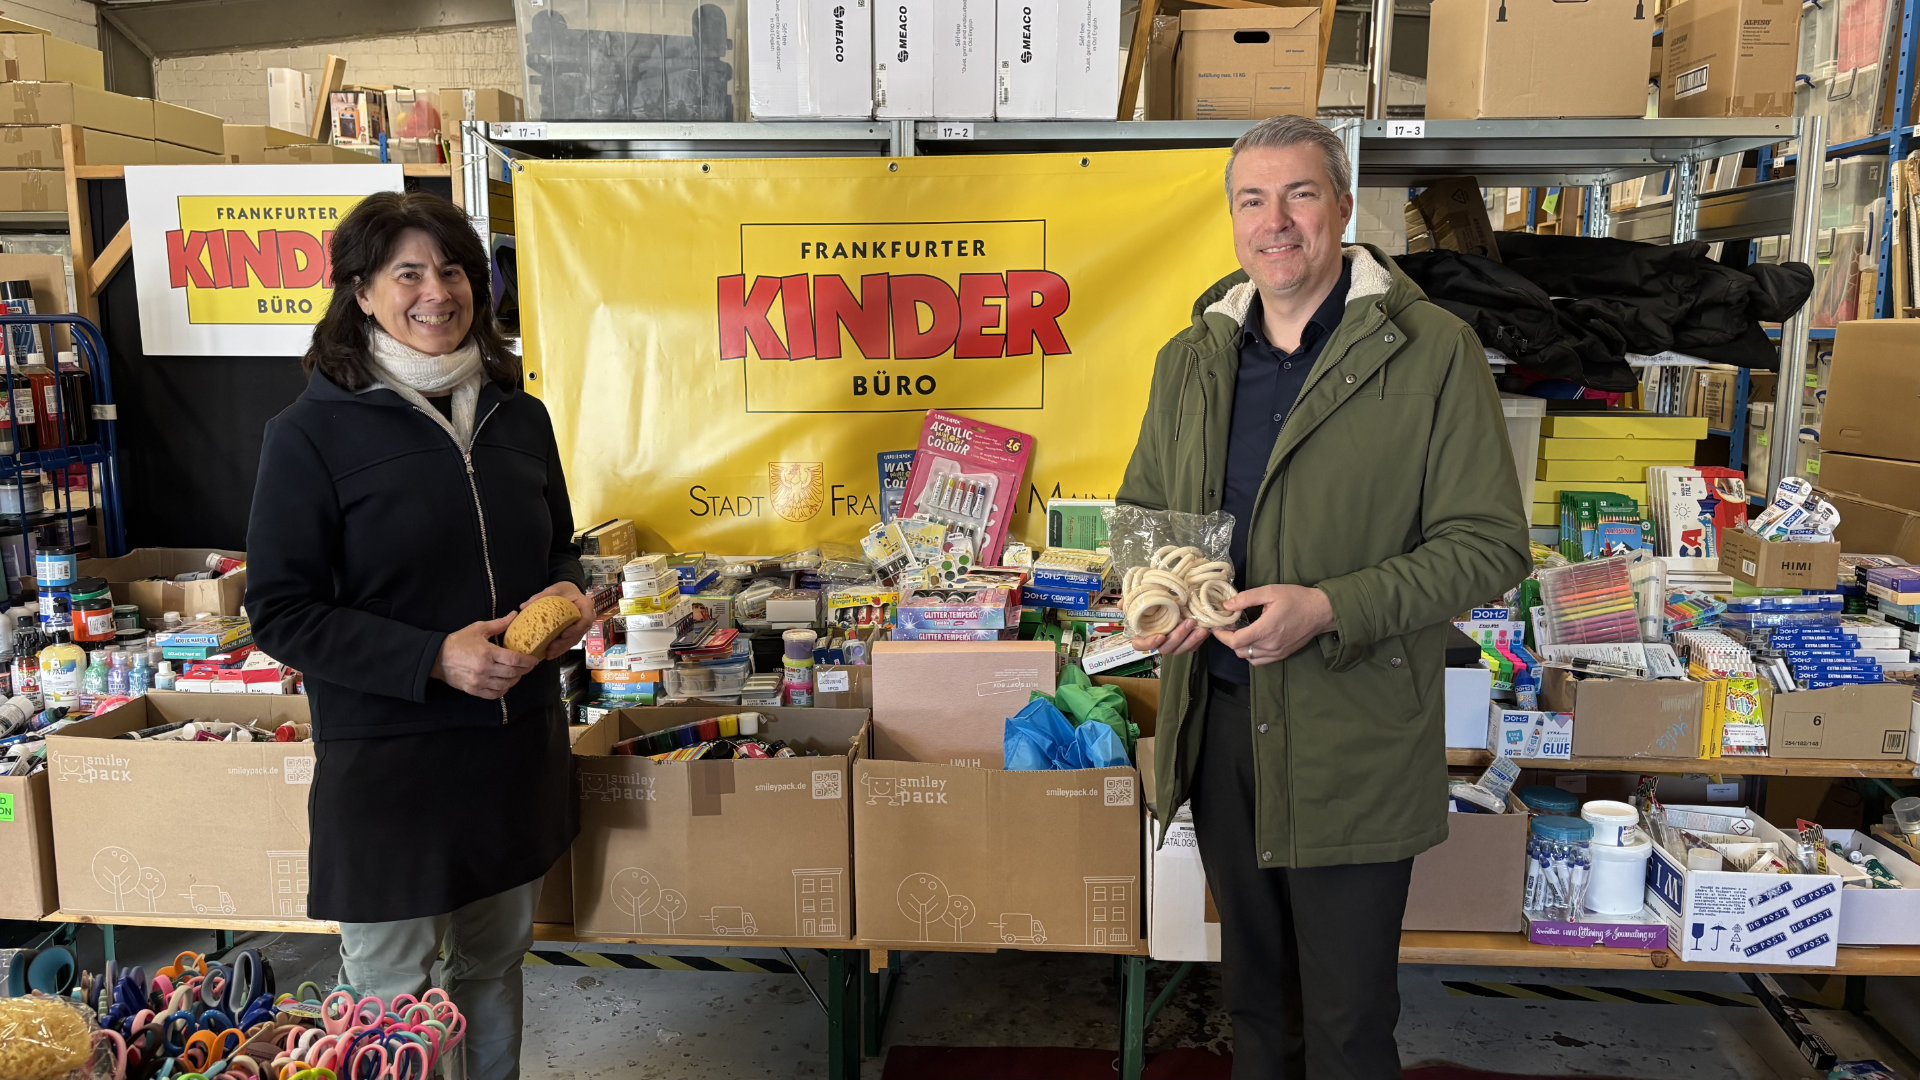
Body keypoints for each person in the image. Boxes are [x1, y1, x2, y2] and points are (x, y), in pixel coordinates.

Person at [1117, 116, 1530, 1080]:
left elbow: (1489, 544)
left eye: (1300, 195)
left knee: (1347, 1023)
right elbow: (1143, 514)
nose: (1276, 223)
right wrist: (1163, 588)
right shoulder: (1193, 356)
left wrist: (1330, 605)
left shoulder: (1431, 351)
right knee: (1255, 1005)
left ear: (1343, 208)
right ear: (1231, 220)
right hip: (1220, 729)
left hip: (1354, 733)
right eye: (1251, 200)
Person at [246, 191, 592, 1080]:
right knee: (390, 995)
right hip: (391, 771)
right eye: (408, 272)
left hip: (513, 758)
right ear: (360, 292)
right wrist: (432, 656)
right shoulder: (310, 435)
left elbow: (558, 547)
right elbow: (280, 610)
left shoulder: (523, 419)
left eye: (453, 271)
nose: (436, 292)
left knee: (494, 970)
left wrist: (567, 595)